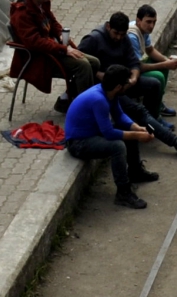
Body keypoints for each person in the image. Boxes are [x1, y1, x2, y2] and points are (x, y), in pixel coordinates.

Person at [80, 11, 177, 153]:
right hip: (109, 88)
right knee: (138, 111)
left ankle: (152, 124)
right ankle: (175, 141)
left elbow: (134, 63)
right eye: (116, 33)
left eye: (122, 34)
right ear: (108, 27)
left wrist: (133, 78)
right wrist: (100, 75)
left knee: (154, 84)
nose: (118, 37)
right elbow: (81, 64)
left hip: (124, 82)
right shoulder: (93, 39)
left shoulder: (124, 39)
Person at [65, 61, 154, 209]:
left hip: (92, 133)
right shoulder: (99, 99)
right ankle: (123, 193)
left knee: (130, 134)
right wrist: (137, 136)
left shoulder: (109, 93)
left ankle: (136, 172)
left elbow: (119, 116)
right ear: (119, 87)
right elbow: (109, 133)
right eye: (126, 84)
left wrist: (137, 128)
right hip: (78, 143)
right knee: (117, 146)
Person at [10, 0, 97, 103]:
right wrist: (64, 49)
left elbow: (53, 22)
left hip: (53, 50)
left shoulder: (41, 4)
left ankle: (68, 100)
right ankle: (83, 108)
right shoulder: (22, 13)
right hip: (41, 58)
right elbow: (35, 42)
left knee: (95, 62)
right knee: (83, 66)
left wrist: (60, 34)